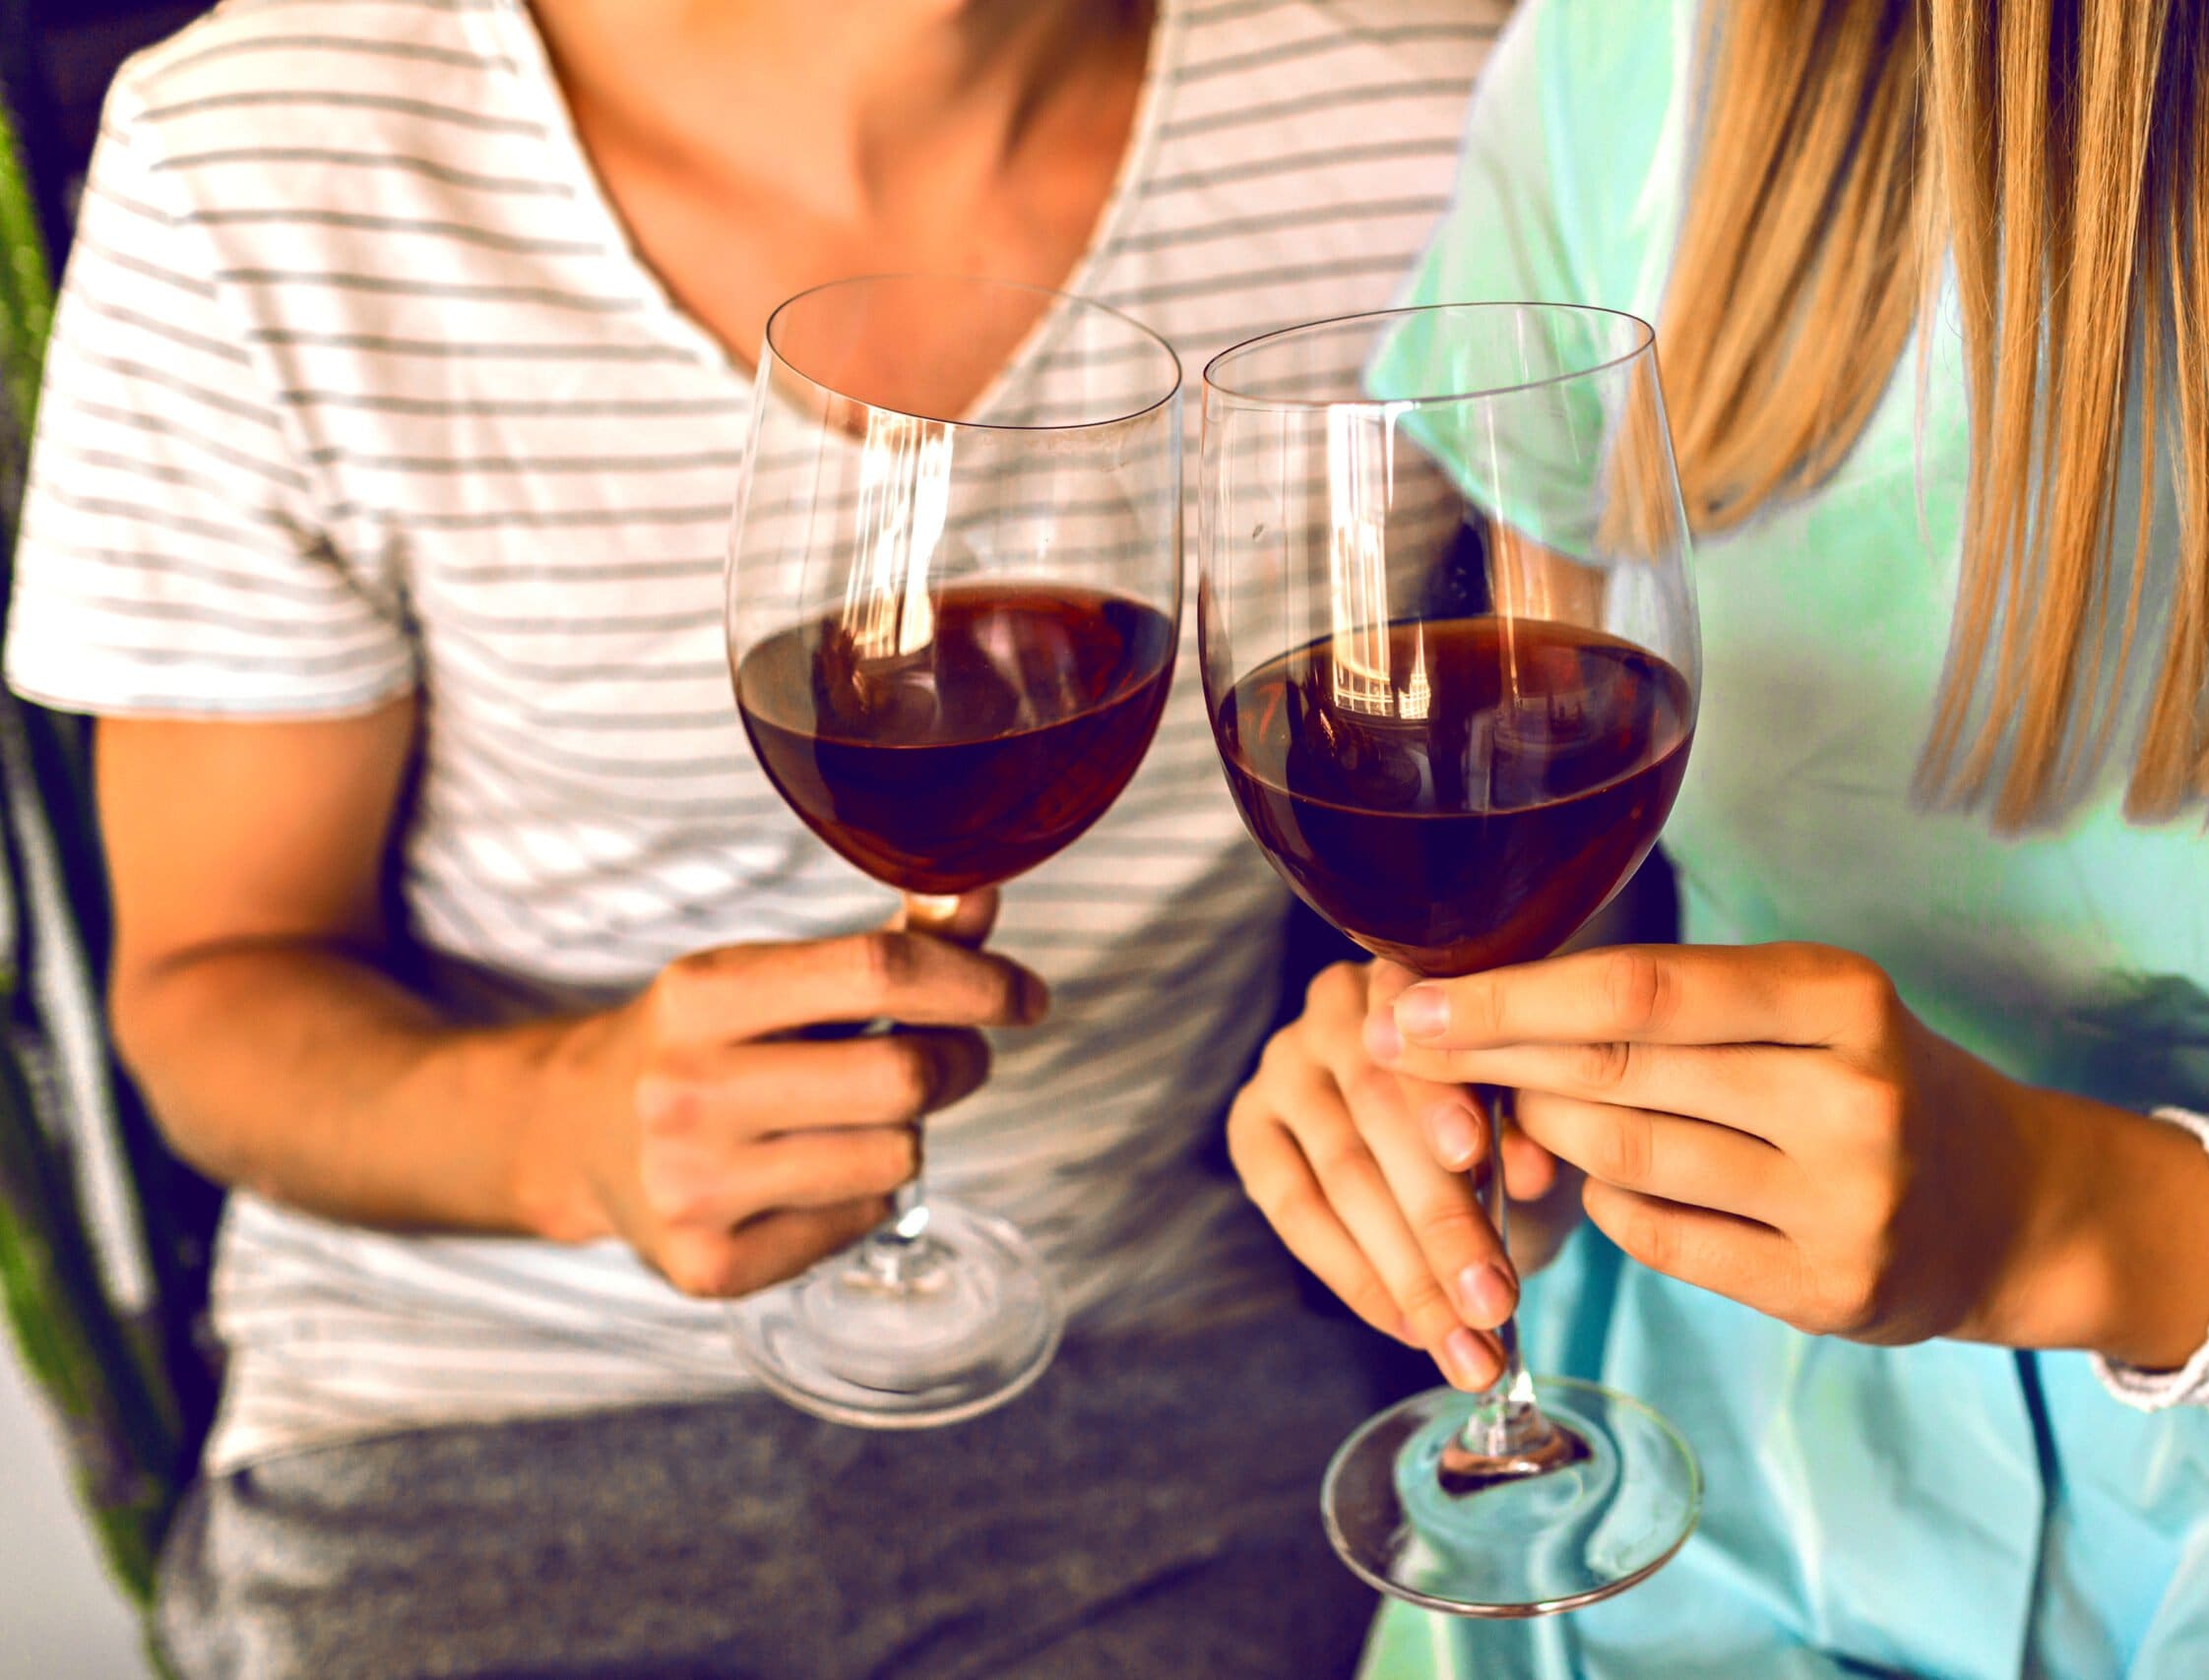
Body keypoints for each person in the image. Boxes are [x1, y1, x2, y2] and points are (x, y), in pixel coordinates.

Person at [0, 0, 1510, 1673]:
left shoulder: (1443, 89)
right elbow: (211, 988)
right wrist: (563, 1131)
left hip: (1161, 1381)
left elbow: (1563, 743)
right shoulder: (259, 161)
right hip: (455, 1423)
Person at [1230, 2, 2209, 1676]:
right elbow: (1558, 868)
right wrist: (1491, 1129)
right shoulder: (1649, 61)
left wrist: (2080, 1226)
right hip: (1683, 1495)